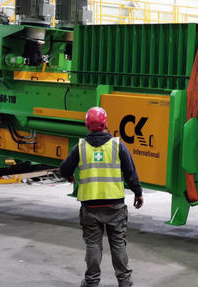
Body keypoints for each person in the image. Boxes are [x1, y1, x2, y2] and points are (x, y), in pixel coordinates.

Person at [60, 106, 143, 287]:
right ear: (105, 123)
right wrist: (138, 193)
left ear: (87, 125)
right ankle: (124, 282)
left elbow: (64, 168)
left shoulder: (80, 147)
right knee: (118, 244)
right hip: (114, 206)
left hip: (90, 206)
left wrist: (69, 176)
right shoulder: (117, 145)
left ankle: (91, 282)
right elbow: (131, 172)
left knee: (93, 245)